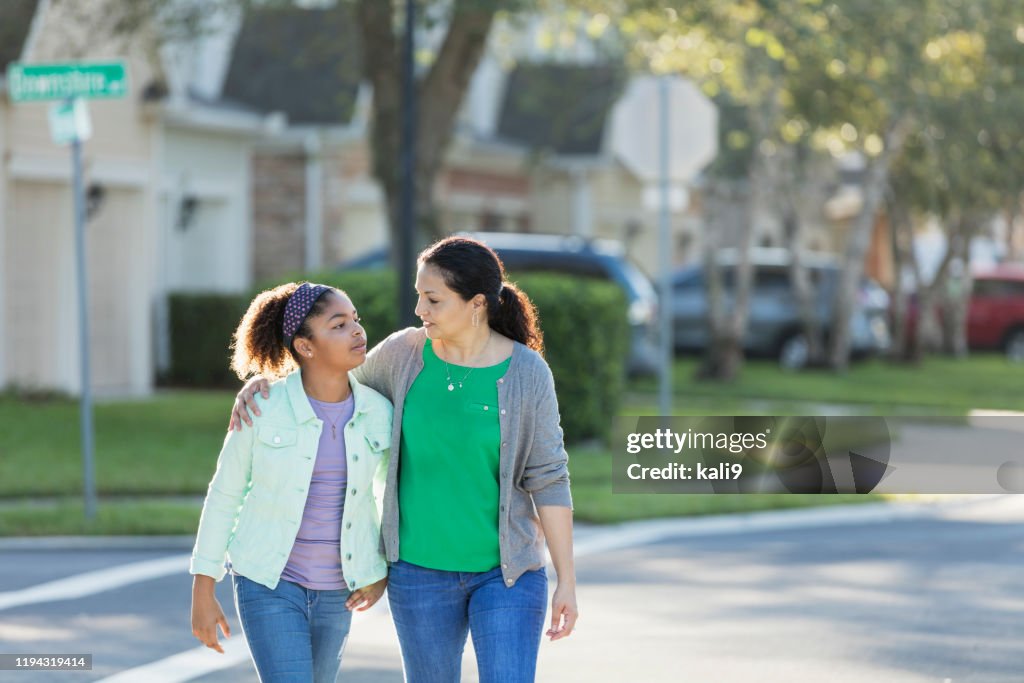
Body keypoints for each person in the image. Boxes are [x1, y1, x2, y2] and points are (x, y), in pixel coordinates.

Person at [231, 237, 578, 683]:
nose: (420, 309)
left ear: (476, 304)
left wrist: (566, 579)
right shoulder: (402, 355)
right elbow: (329, 383)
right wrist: (267, 384)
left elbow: (548, 476)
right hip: (419, 575)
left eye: (432, 299)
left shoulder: (527, 372)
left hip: (507, 574)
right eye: (419, 296)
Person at [191, 282, 392, 683]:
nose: (357, 331)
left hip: (340, 589)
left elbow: (389, 497)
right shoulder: (262, 407)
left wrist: (379, 571)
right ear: (305, 345)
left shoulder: (379, 411)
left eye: (356, 320)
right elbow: (225, 494)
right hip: (268, 582)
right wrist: (203, 589)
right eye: (338, 324)